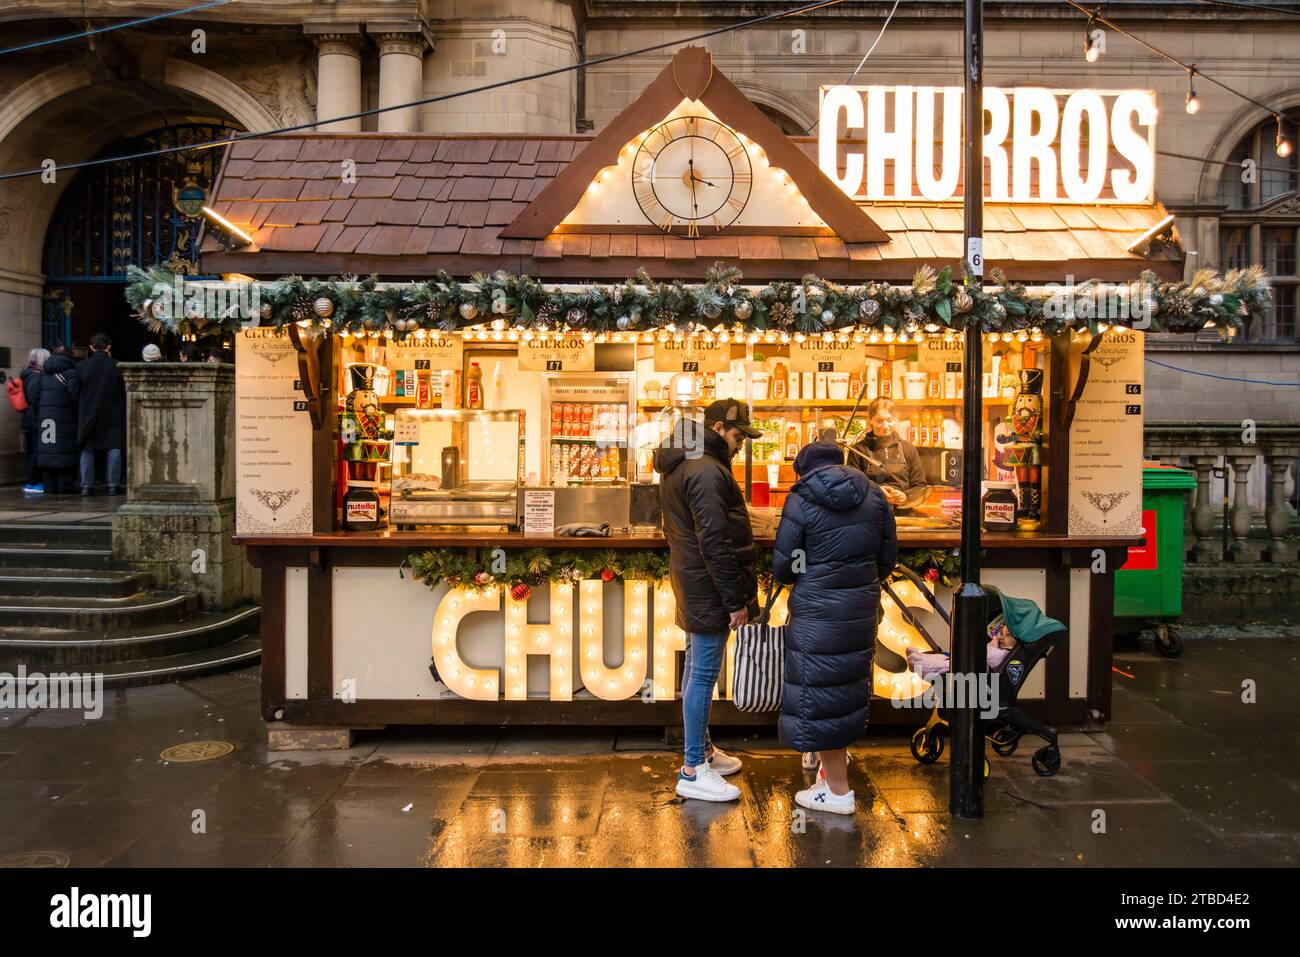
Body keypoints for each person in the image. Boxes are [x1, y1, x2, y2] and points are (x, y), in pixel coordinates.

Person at [772, 441, 898, 815]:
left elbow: (786, 566)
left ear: (805, 469)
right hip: (859, 610)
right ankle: (831, 778)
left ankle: (839, 792)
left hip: (816, 613)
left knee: (824, 696)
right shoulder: (874, 496)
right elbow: (887, 557)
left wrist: (810, 571)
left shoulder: (801, 499)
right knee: (843, 691)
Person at [653, 399, 762, 803]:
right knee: (702, 674)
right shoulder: (706, 469)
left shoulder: (686, 461)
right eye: (738, 436)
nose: (741, 445)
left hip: (693, 580)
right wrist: (735, 600)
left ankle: (704, 753)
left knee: (696, 668)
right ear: (718, 429)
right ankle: (693, 769)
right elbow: (714, 541)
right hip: (709, 586)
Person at [847, 397, 927, 509]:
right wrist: (876, 491)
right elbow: (851, 486)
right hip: (870, 514)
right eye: (879, 421)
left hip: (903, 515)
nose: (885, 426)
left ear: (897, 418)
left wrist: (905, 497)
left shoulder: (908, 448)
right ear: (870, 420)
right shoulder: (858, 450)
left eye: (890, 420)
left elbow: (920, 486)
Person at [76, 333, 126, 496]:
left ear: (91, 347)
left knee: (87, 449)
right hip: (112, 412)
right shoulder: (117, 366)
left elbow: (75, 391)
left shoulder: (81, 367)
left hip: (88, 412)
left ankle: (86, 486)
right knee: (114, 449)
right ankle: (113, 484)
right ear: (108, 347)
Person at [34, 345, 80, 494]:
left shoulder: (43, 374)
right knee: (65, 453)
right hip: (66, 420)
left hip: (45, 420)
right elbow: (75, 397)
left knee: (48, 453)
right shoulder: (72, 374)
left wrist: (41, 411)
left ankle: (49, 487)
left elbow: (33, 396)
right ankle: (65, 488)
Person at [19, 348, 51, 494]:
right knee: (37, 450)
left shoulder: (27, 374)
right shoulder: (35, 376)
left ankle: (33, 481)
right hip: (35, 419)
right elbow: (33, 397)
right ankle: (33, 481)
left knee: (32, 450)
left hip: (28, 418)